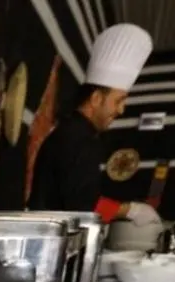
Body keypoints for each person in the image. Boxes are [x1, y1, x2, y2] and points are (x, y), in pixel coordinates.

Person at [29, 23, 157, 225]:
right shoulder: (81, 140)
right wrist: (129, 210)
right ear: (96, 98)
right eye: (118, 100)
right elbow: (83, 207)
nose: (122, 110)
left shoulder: (69, 132)